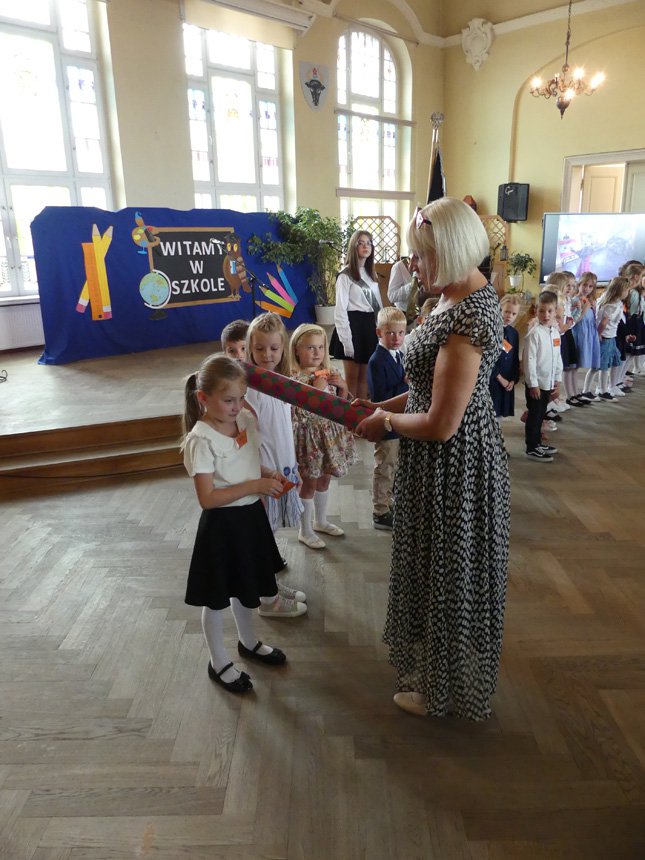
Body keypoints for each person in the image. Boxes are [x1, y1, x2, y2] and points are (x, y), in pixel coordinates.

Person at [354, 197, 510, 721]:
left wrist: (386, 423)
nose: (412, 265)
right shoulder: (450, 298)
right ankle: (434, 671)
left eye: (421, 256)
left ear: (451, 250)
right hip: (438, 460)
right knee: (434, 569)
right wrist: (383, 407)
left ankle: (439, 689)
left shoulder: (467, 317)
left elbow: (442, 423)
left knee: (446, 574)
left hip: (454, 466)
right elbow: (425, 389)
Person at [181, 354, 294, 695]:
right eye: (228, 400)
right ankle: (218, 661)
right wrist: (255, 485)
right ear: (204, 398)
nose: (237, 406)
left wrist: (268, 474)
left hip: (249, 518)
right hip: (221, 526)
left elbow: (247, 462)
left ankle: (248, 641)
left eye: (241, 397)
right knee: (216, 598)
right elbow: (208, 498)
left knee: (246, 587)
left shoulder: (243, 419)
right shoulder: (201, 440)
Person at [244, 313, 308, 616]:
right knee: (260, 533)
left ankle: (268, 585)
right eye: (259, 349)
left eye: (273, 348)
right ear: (250, 349)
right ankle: (267, 599)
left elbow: (283, 429)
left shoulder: (282, 384)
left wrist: (293, 467)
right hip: (264, 475)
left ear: (283, 348)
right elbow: (250, 436)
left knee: (268, 534)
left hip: (283, 469)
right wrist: (260, 474)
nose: (267, 355)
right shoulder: (250, 389)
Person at [289, 323, 355, 549]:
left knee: (325, 479)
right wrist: (316, 391)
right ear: (297, 350)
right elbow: (298, 415)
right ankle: (305, 530)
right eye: (310, 347)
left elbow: (340, 406)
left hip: (329, 437)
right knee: (309, 483)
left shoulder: (330, 371)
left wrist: (342, 387)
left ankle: (320, 521)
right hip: (309, 440)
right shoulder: (294, 379)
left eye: (320, 347)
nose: (316, 352)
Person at [367, 307, 408, 530]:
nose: (396, 338)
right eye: (390, 333)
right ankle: (380, 511)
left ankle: (390, 502)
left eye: (401, 333)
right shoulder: (376, 361)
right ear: (379, 333)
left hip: (399, 421)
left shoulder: (398, 354)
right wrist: (405, 384)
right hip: (385, 422)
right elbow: (380, 398)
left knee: (395, 465)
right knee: (385, 466)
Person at [330, 229, 383, 401]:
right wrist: (347, 342)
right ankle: (348, 413)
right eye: (361, 243)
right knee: (352, 379)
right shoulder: (345, 276)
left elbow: (378, 306)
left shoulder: (371, 274)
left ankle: (362, 412)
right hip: (352, 327)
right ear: (354, 246)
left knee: (365, 378)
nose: (366, 246)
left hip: (369, 327)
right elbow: (340, 311)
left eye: (369, 243)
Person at [522, 291, 563, 462]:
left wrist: (558, 380)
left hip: (549, 382)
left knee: (541, 414)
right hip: (537, 384)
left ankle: (537, 443)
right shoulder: (534, 334)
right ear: (536, 311)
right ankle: (531, 447)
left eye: (550, 311)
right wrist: (533, 384)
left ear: (556, 311)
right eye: (542, 311)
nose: (546, 315)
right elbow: (529, 361)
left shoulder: (555, 333)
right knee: (534, 415)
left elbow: (557, 357)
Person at [570, 272, 601, 403]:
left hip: (589, 333)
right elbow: (573, 321)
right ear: (579, 285)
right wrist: (584, 309)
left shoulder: (590, 301)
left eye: (590, 286)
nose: (587, 289)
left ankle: (576, 393)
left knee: (578, 367)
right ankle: (572, 394)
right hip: (579, 334)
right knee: (574, 366)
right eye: (584, 285)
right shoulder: (575, 300)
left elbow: (593, 320)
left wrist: (593, 308)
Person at [596, 276, 629, 399]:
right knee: (604, 366)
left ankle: (610, 386)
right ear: (620, 290)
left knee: (615, 360)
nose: (627, 293)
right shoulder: (611, 305)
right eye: (626, 290)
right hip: (606, 337)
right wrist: (599, 334)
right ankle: (602, 390)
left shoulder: (617, 302)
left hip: (612, 336)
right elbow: (603, 322)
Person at [489, 294, 520, 421]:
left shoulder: (514, 333)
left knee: (500, 414)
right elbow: (487, 357)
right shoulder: (492, 329)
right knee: (491, 412)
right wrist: (500, 378)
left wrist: (513, 380)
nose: (509, 316)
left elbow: (514, 358)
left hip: (507, 379)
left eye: (514, 313)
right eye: (507, 311)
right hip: (493, 378)